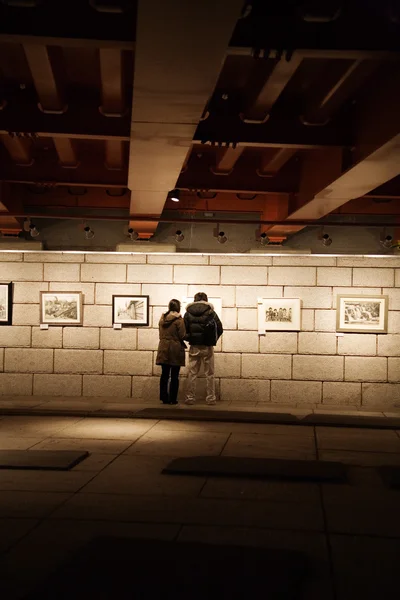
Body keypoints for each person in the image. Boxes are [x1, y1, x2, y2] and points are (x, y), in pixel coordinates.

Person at [183, 292, 223, 406]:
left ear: (195, 300)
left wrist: (190, 338)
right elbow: (220, 328)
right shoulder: (211, 312)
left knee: (192, 373)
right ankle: (211, 398)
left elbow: (183, 331)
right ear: (206, 300)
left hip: (194, 346)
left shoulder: (188, 313)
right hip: (207, 346)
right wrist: (212, 340)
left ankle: (190, 398)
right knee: (210, 373)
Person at [156, 299, 186, 405]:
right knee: (174, 375)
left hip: (163, 348)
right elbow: (182, 335)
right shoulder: (179, 320)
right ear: (178, 307)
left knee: (164, 374)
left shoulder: (162, 319)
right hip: (175, 349)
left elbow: (160, 334)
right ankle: (173, 399)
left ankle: (164, 398)